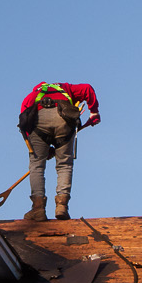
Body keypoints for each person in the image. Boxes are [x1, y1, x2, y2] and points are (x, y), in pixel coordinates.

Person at [17, 81, 100, 221]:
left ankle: (38, 209)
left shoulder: (31, 96)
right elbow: (87, 88)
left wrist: (43, 148)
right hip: (64, 120)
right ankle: (62, 206)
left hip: (38, 122)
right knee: (64, 164)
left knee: (37, 165)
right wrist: (94, 112)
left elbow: (24, 123)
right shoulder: (66, 88)